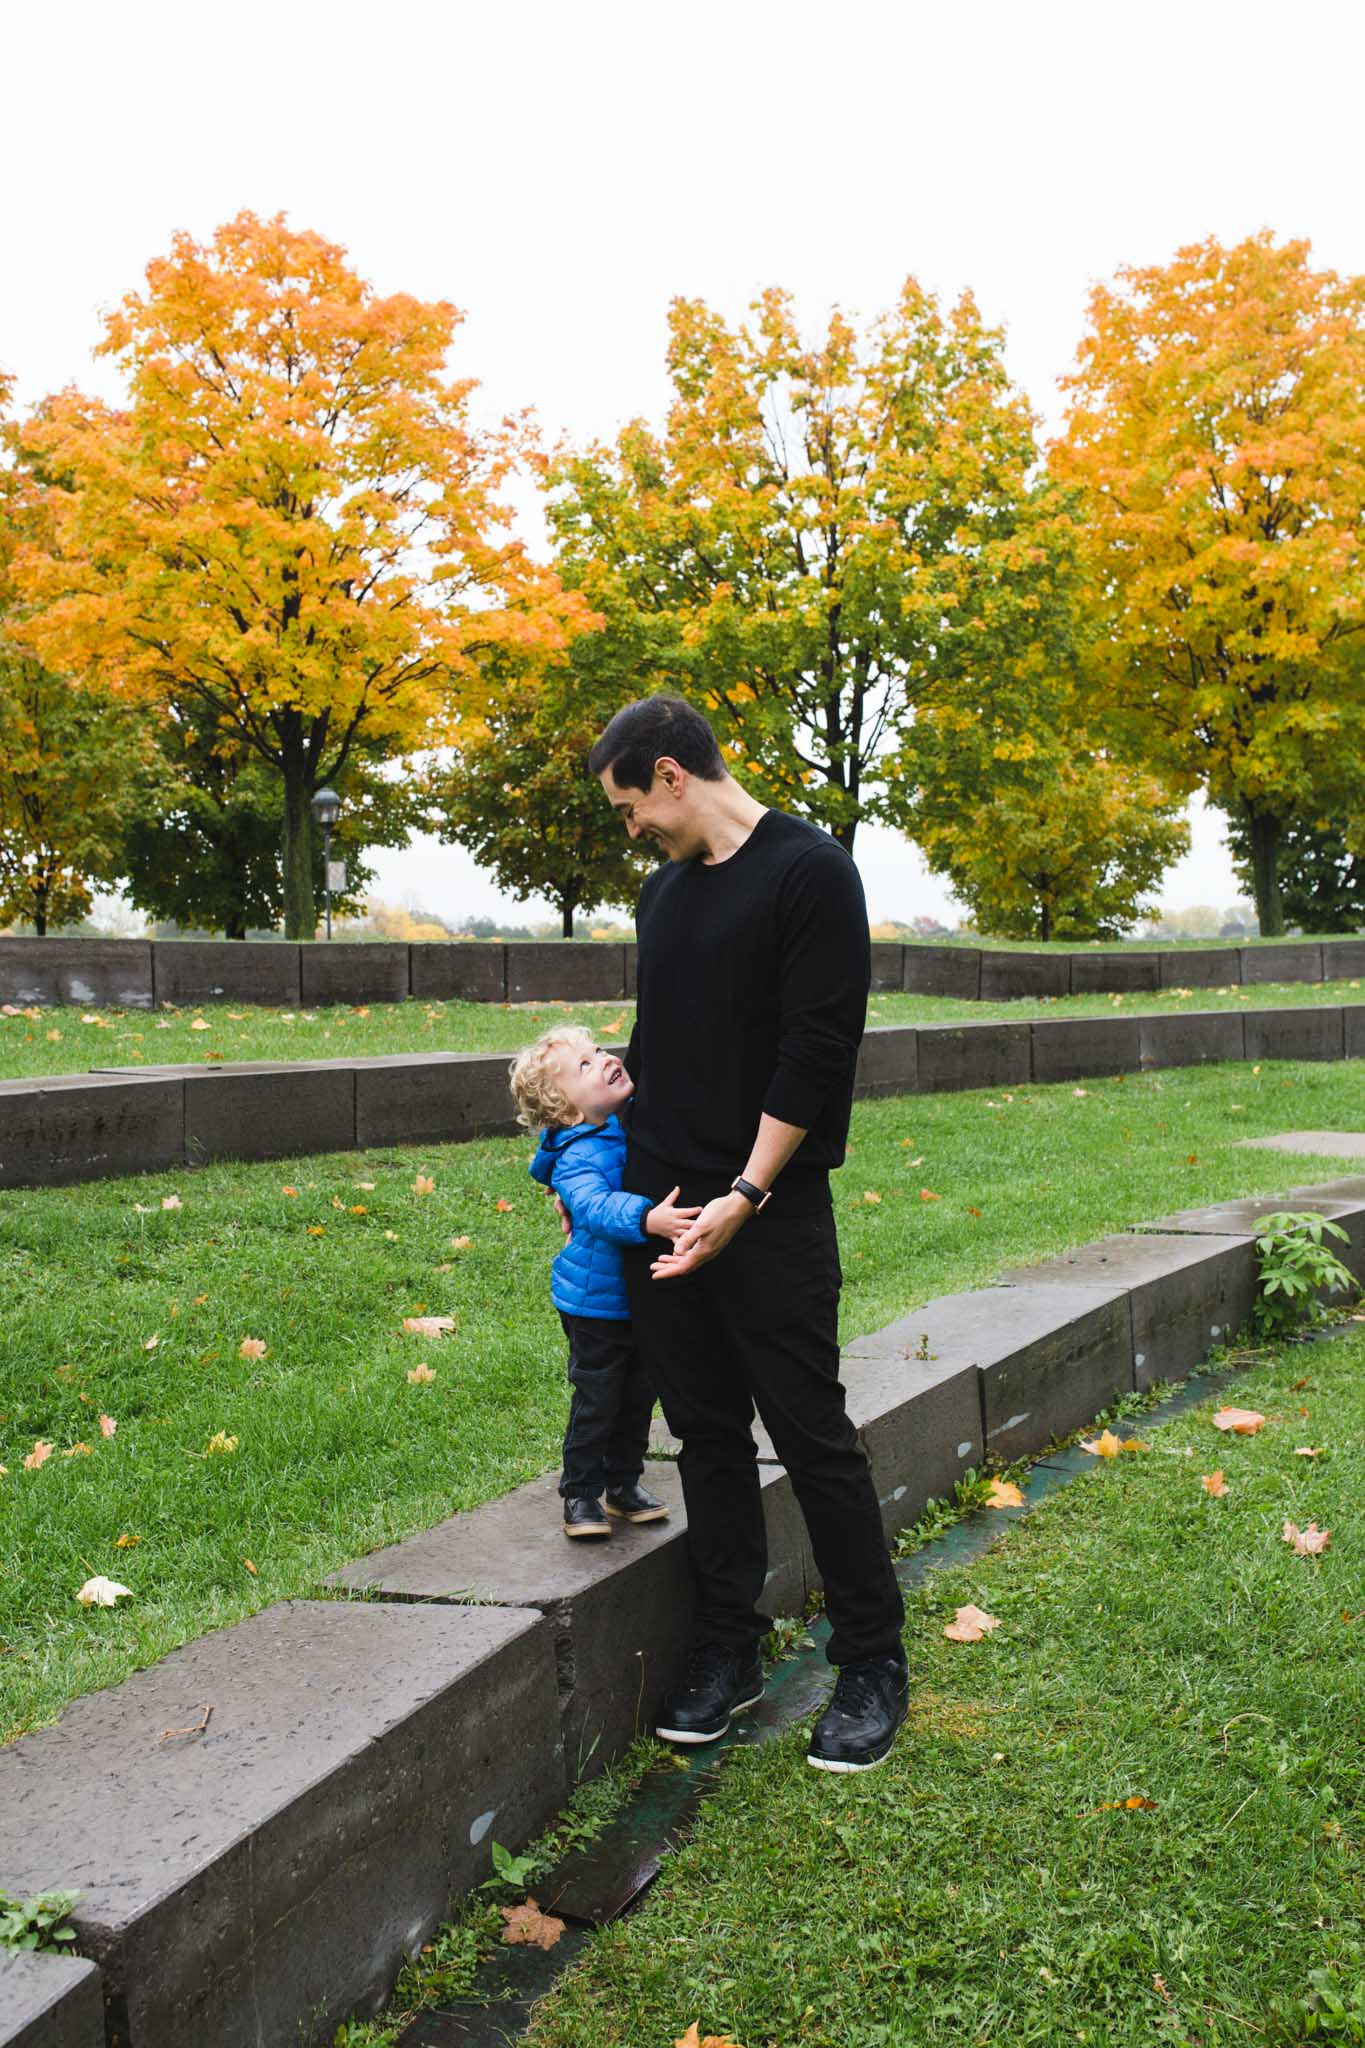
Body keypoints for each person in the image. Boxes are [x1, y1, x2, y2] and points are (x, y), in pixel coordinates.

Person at [587, 694, 908, 1773]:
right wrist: (591, 1163)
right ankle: (730, 1644)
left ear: (671, 773)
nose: (633, 830)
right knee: (708, 1435)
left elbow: (817, 1050)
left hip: (764, 1211)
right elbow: (656, 1042)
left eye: (632, 806)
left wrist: (749, 1192)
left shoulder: (810, 873)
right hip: (667, 1212)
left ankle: (872, 1657)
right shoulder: (664, 896)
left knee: (810, 1429)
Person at [512, 1024, 699, 1538]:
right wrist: (647, 1219)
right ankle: (580, 1493)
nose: (605, 1060)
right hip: (594, 1303)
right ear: (569, 1110)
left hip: (633, 1299)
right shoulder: (576, 1154)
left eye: (598, 1052)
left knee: (638, 1396)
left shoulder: (622, 1124)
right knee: (597, 1399)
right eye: (586, 1066)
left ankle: (623, 1483)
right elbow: (594, 1206)